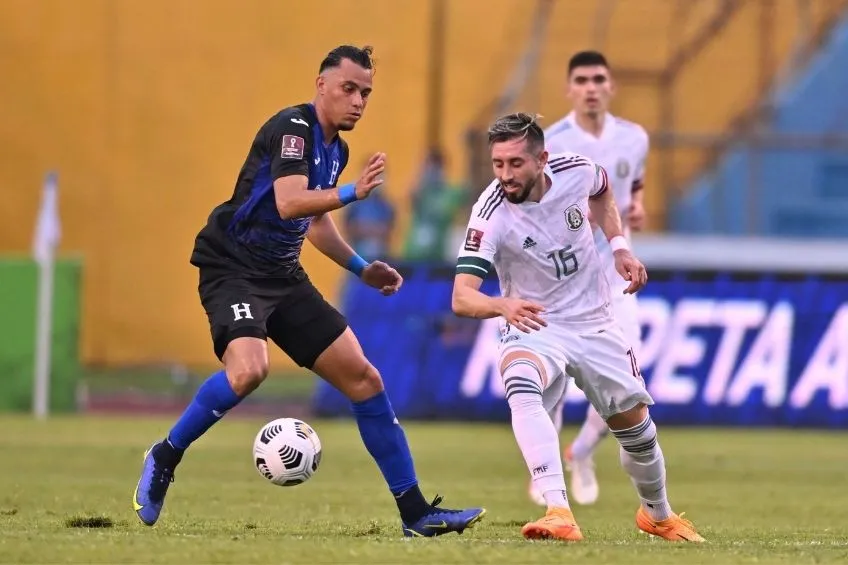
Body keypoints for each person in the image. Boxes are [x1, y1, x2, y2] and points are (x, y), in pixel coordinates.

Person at [132, 44, 485, 538]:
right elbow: (289, 202)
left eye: (366, 93)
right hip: (233, 268)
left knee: (364, 379)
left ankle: (415, 514)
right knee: (249, 371)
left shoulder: (336, 149)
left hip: (282, 276)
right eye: (348, 88)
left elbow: (314, 221)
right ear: (321, 86)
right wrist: (352, 192)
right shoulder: (293, 129)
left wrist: (361, 268)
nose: (358, 101)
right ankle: (166, 455)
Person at [451, 112, 703, 542]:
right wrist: (502, 305)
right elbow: (461, 297)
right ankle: (558, 510)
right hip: (535, 321)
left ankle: (658, 515)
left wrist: (619, 247)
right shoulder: (490, 212)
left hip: (592, 321)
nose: (505, 175)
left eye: (515, 163)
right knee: (521, 382)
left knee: (638, 434)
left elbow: (603, 192)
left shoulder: (577, 171)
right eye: (498, 164)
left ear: (542, 159)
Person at [526, 50, 651, 507]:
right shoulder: (553, 142)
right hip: (566, 277)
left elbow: (634, 187)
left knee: (628, 381)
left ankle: (579, 452)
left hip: (617, 277)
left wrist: (636, 208)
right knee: (554, 376)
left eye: (598, 79)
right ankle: (547, 473)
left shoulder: (634, 138)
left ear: (611, 86)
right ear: (569, 89)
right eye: (581, 80)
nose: (591, 88)